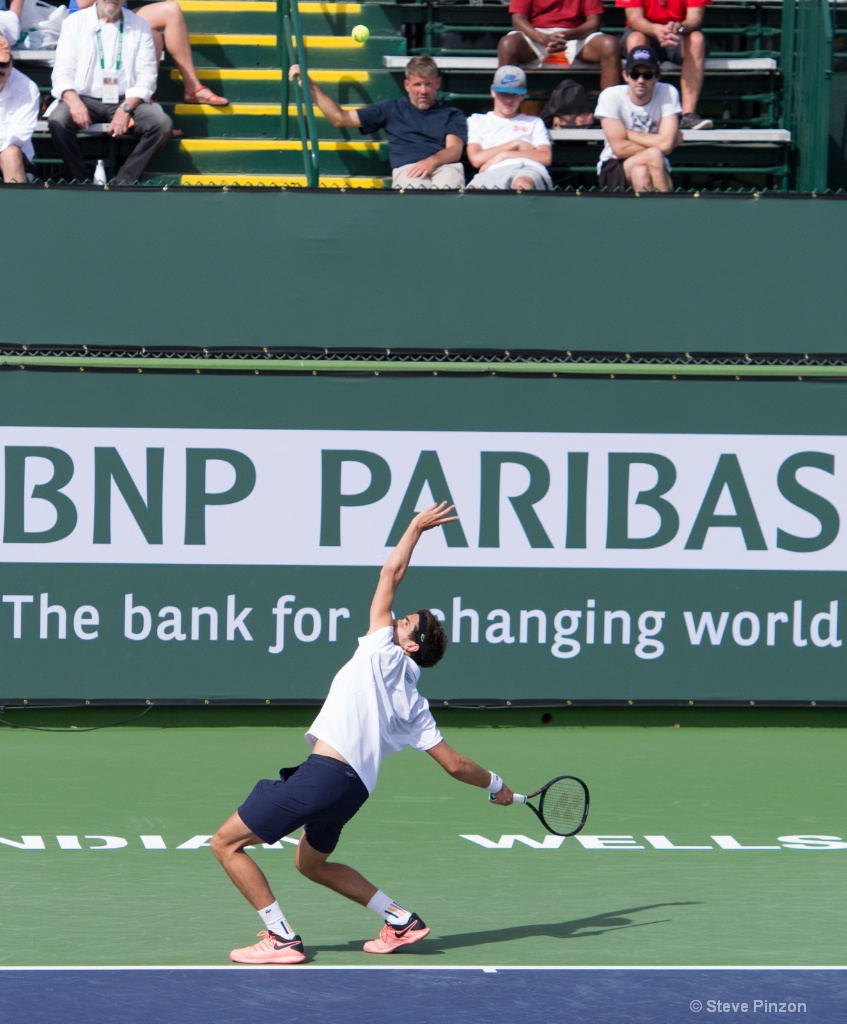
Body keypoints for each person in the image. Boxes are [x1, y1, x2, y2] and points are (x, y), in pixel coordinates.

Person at [211, 501, 515, 965]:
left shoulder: (382, 650)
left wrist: (415, 527)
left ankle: (282, 939)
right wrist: (496, 785)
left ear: (410, 645)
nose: (395, 620)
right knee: (310, 863)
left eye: (405, 623)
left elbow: (389, 574)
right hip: (353, 789)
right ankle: (400, 919)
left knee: (226, 843)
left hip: (325, 776)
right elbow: (454, 765)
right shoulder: (416, 704)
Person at [289, 55, 467, 189]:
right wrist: (309, 84)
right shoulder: (391, 108)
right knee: (417, 194)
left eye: (428, 84)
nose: (423, 90)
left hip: (443, 166)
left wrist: (431, 161)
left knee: (449, 188)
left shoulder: (451, 114)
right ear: (407, 85)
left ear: (438, 84)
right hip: (409, 169)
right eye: (417, 85)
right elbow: (339, 118)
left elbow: (454, 150)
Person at [48, 0, 173, 183]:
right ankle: (80, 181)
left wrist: (126, 108)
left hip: (125, 99)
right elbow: (61, 72)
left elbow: (146, 77)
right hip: (84, 98)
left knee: (161, 124)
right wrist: (74, 102)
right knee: (58, 120)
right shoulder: (74, 23)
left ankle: (123, 181)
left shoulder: (140, 26)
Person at [67, 0, 228, 106]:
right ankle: (141, 106)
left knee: (171, 10)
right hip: (89, 20)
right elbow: (83, 3)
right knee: (154, 37)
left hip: (120, 15)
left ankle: (193, 88)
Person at [594, 46, 681, 191]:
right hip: (614, 163)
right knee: (654, 154)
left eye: (647, 75)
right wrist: (660, 143)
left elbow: (665, 144)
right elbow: (620, 149)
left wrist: (627, 133)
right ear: (625, 75)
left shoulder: (668, 92)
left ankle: (650, 213)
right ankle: (668, 210)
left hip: (654, 164)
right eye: (634, 74)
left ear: (657, 77)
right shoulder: (610, 96)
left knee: (641, 172)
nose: (640, 80)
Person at [616, 0, 713, 129]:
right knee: (636, 39)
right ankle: (639, 113)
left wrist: (680, 27)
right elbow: (635, 20)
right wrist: (656, 29)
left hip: (680, 33)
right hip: (644, 31)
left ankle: (688, 115)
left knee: (696, 39)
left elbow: (694, 19)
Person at [498, 0, 621, 91]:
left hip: (577, 34)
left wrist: (568, 36)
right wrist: (541, 37)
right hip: (536, 33)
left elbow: (594, 21)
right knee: (508, 45)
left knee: (610, 45)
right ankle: (508, 115)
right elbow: (518, 19)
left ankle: (610, 112)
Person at [466, 65, 553, 191]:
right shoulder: (477, 120)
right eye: (503, 93)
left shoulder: (534, 122)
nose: (509, 100)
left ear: (522, 96)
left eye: (514, 94)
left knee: (521, 184)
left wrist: (505, 155)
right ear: (493, 92)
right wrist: (515, 144)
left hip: (527, 168)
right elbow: (476, 159)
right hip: (492, 171)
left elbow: (545, 157)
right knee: (474, 191)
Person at [0, 36, 39, 182]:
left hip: (13, 154)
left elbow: (18, 136)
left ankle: (14, 204)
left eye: (3, 64)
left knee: (10, 153)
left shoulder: (28, 88)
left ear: (11, 62)